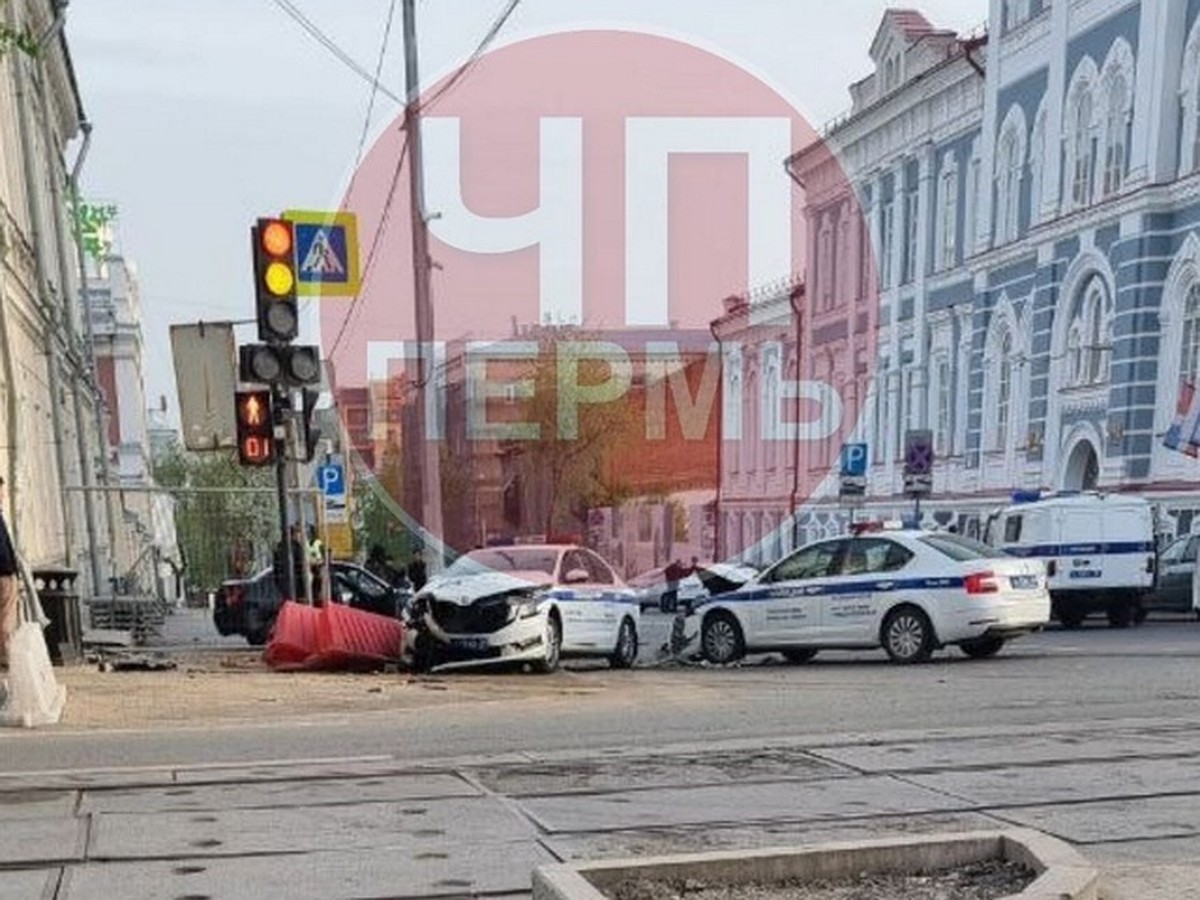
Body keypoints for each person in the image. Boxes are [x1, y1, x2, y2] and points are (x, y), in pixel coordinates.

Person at [0, 476, 18, 670]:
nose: (3, 496)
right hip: (3, 575)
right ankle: (6, 660)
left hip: (6, 573)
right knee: (6, 621)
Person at [272, 524, 306, 600]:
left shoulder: (279, 546)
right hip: (295, 580)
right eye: (297, 533)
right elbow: (300, 564)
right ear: (293, 534)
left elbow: (275, 565)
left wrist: (277, 580)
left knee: (286, 600)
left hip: (282, 580)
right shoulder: (296, 546)